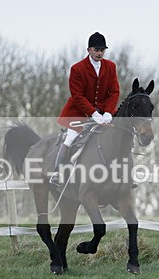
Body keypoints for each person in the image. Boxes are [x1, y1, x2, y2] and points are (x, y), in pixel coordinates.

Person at [51, 32, 120, 184]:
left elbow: (114, 91)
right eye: (96, 50)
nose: (100, 53)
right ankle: (57, 172)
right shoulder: (77, 69)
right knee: (70, 137)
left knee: (121, 134)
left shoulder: (111, 66)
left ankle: (125, 174)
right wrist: (94, 114)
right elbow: (77, 96)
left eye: (102, 50)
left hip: (105, 112)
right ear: (89, 50)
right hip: (80, 112)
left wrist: (108, 112)